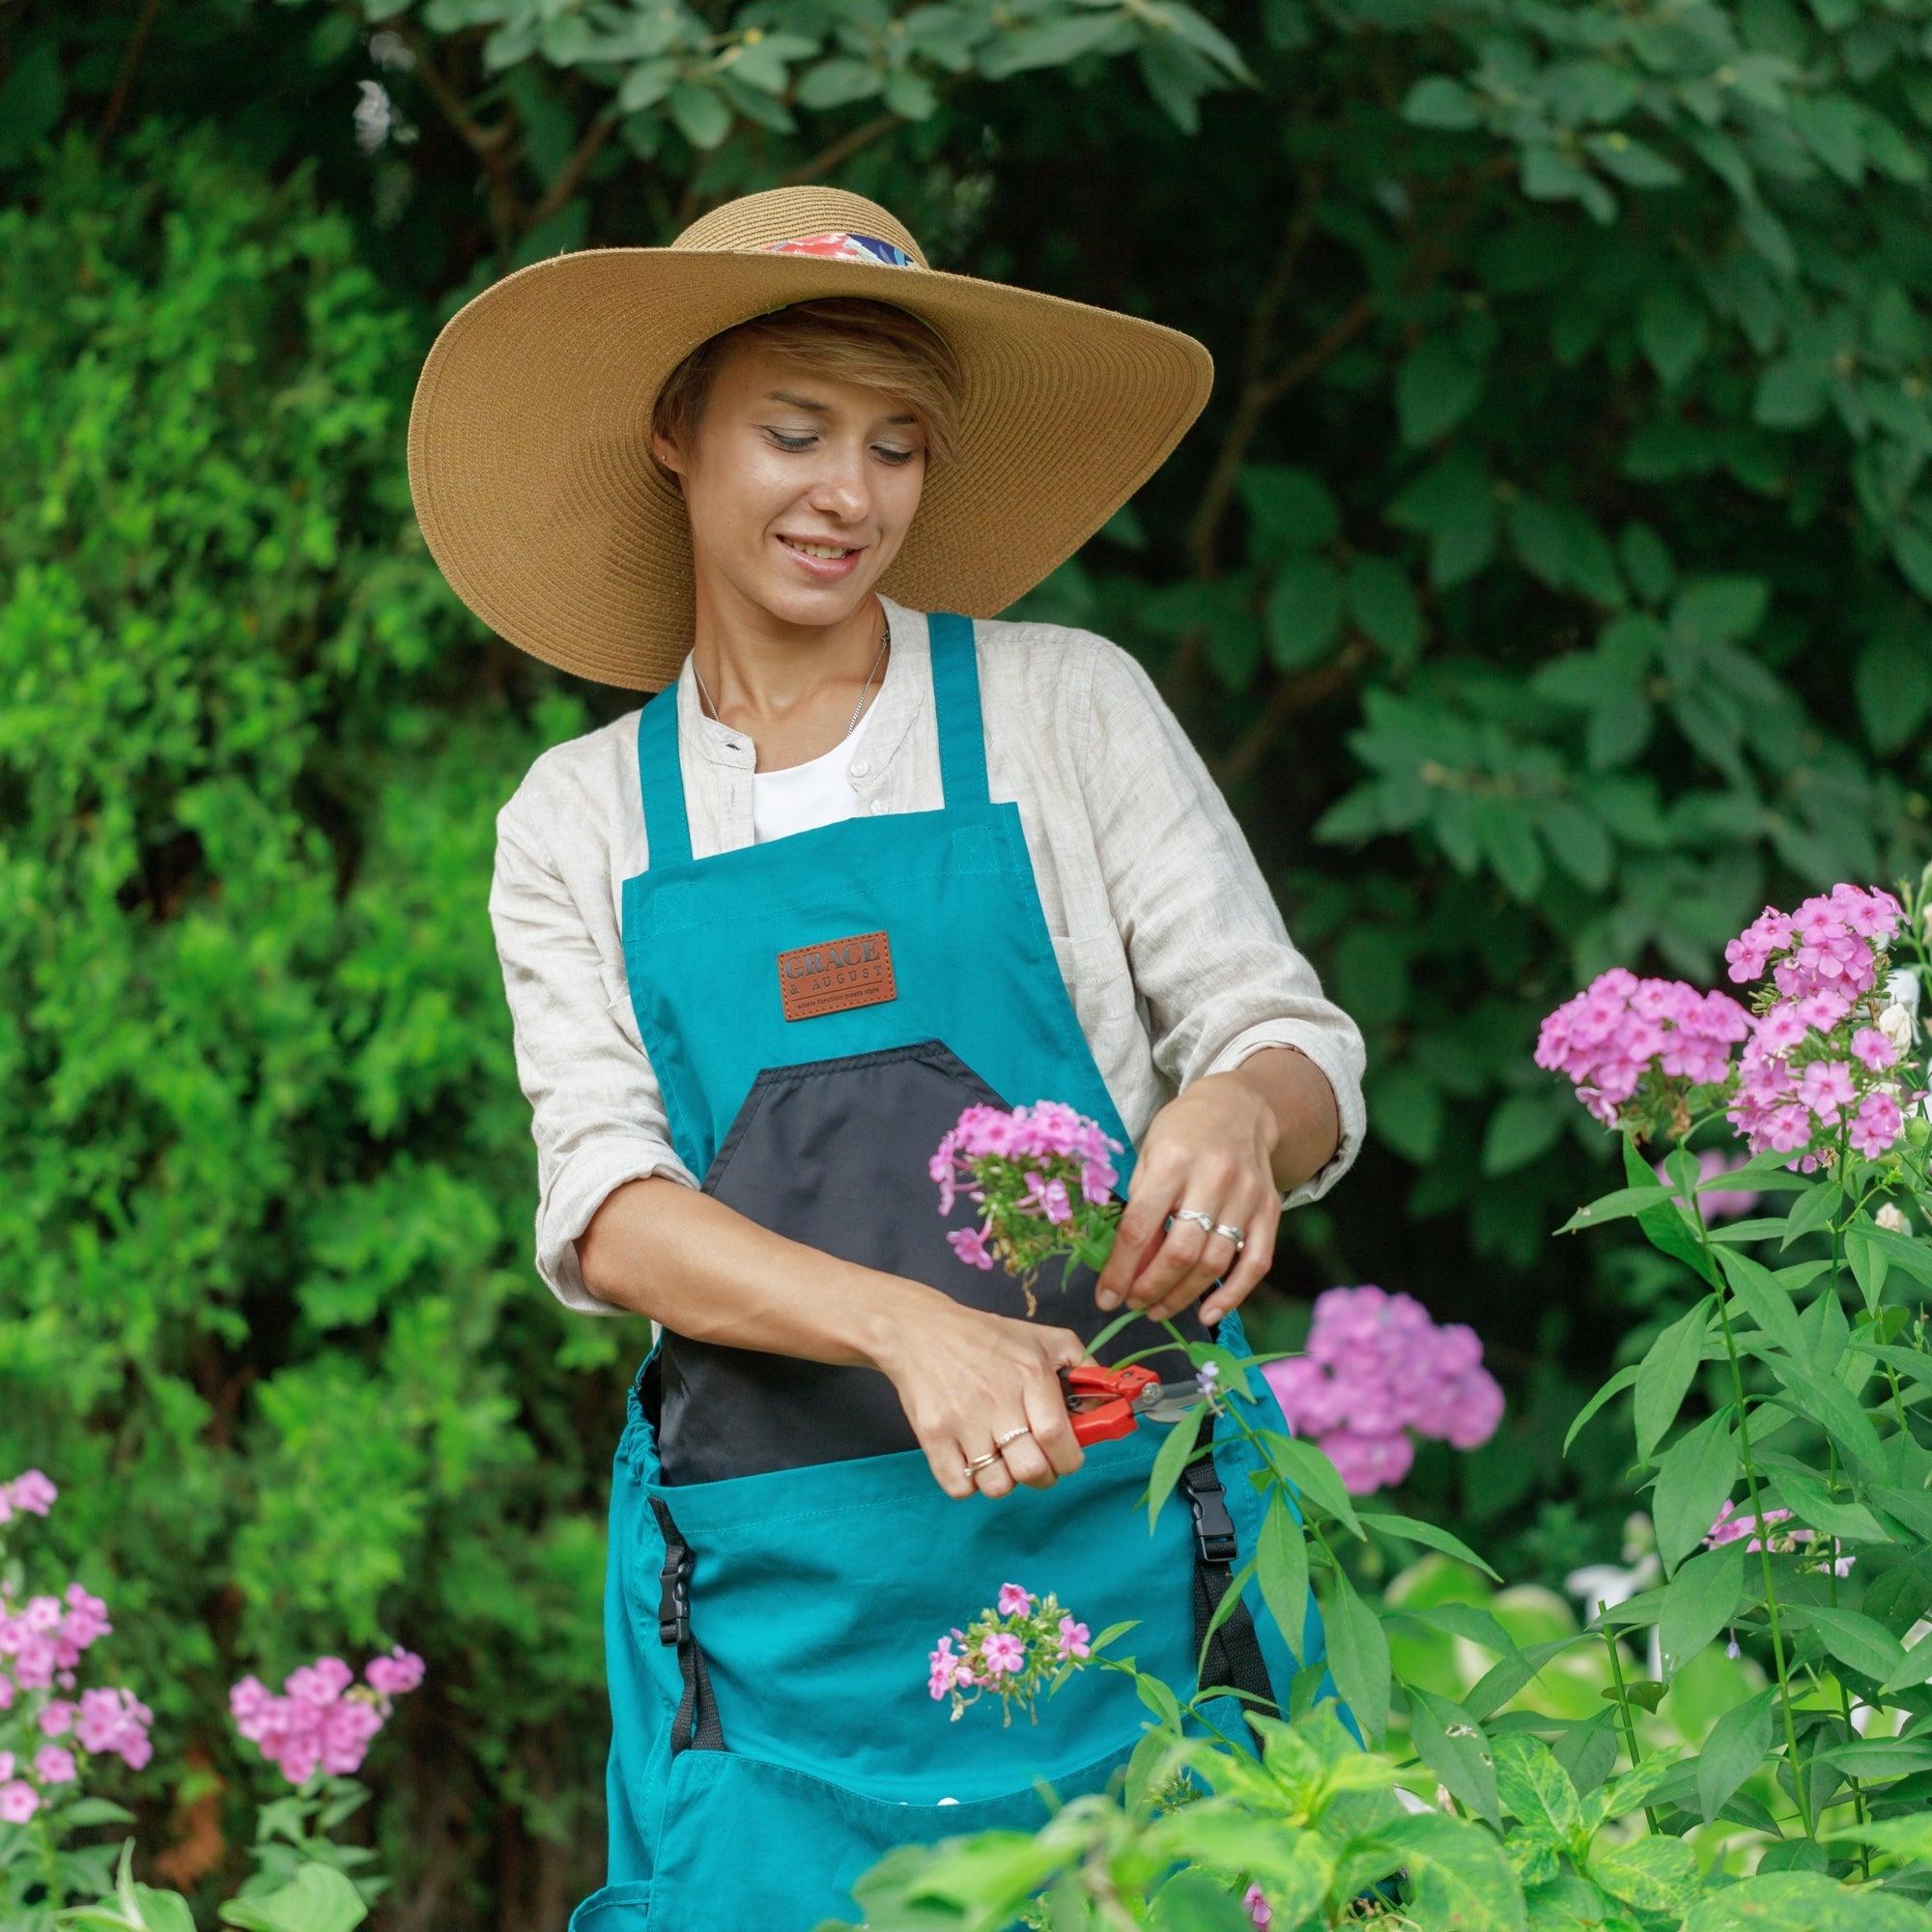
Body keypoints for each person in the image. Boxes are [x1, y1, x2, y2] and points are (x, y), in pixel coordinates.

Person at [409, 185, 1365, 1930]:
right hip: (782, 1611)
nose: (850, 496)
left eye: (898, 446)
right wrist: (905, 1324)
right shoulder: (581, 819)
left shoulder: (1066, 705)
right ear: (677, 433)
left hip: (1133, 1535)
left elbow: (1280, 1030)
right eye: (795, 432)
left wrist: (1242, 1109)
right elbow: (607, 1207)